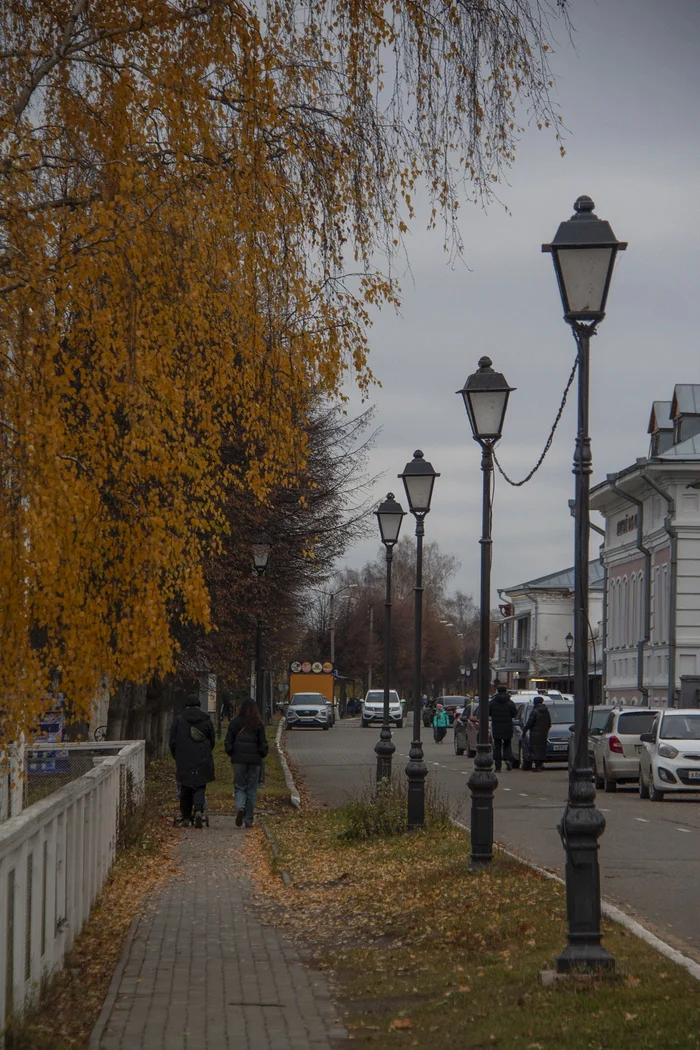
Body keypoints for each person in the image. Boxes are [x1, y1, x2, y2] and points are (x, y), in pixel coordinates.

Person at [169, 694, 215, 828]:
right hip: (202, 756)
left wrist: (177, 756)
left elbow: (172, 742)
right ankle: (199, 810)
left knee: (185, 785)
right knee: (200, 784)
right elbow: (212, 740)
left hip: (184, 757)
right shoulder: (206, 719)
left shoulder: (179, 720)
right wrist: (206, 751)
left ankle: (186, 815)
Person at [224, 699, 269, 827]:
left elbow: (228, 742)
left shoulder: (234, 723)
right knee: (251, 789)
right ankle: (249, 820)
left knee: (239, 786)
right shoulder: (258, 724)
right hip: (254, 761)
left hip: (238, 760)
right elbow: (263, 745)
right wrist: (261, 755)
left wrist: (232, 753)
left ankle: (240, 808)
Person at [489, 685, 518, 772]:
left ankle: (498, 767)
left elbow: (489, 712)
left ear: (497, 691)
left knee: (497, 746)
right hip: (507, 726)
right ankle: (507, 759)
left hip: (496, 726)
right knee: (507, 744)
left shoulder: (493, 702)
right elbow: (514, 713)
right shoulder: (510, 703)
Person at [523, 695, 552, 771]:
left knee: (535, 749)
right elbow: (549, 723)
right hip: (543, 733)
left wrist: (525, 730)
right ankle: (541, 764)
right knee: (542, 748)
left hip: (535, 733)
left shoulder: (535, 711)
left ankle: (537, 766)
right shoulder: (546, 711)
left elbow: (530, 722)